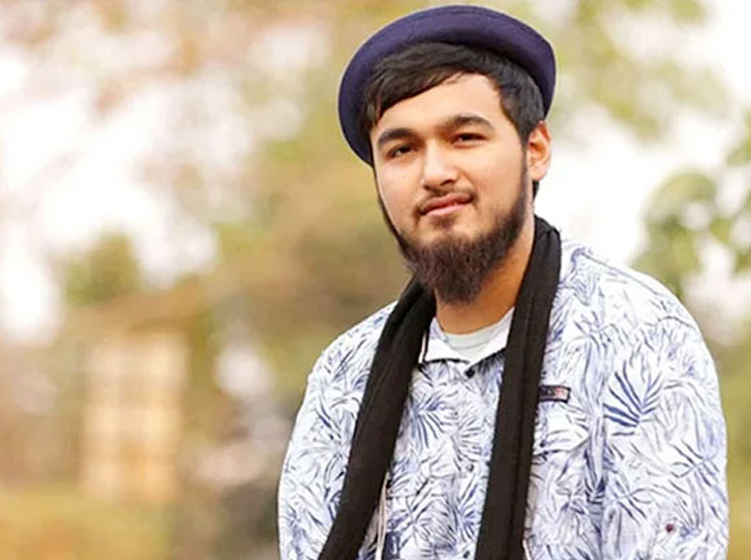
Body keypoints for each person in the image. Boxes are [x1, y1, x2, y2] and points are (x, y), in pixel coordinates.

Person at [278, 5, 728, 560]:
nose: (434, 172)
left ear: (535, 150)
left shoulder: (635, 336)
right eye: (402, 150)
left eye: (465, 137)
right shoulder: (344, 379)